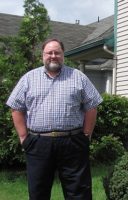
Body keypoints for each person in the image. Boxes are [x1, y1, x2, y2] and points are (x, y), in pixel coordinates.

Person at [6, 38, 102, 200]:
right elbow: (16, 107)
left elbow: (92, 106)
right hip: (38, 143)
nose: (53, 56)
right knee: (38, 192)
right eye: (49, 53)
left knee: (79, 192)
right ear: (42, 55)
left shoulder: (78, 77)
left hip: (73, 143)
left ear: (63, 55)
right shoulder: (29, 79)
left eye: (57, 52)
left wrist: (86, 135)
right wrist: (23, 137)